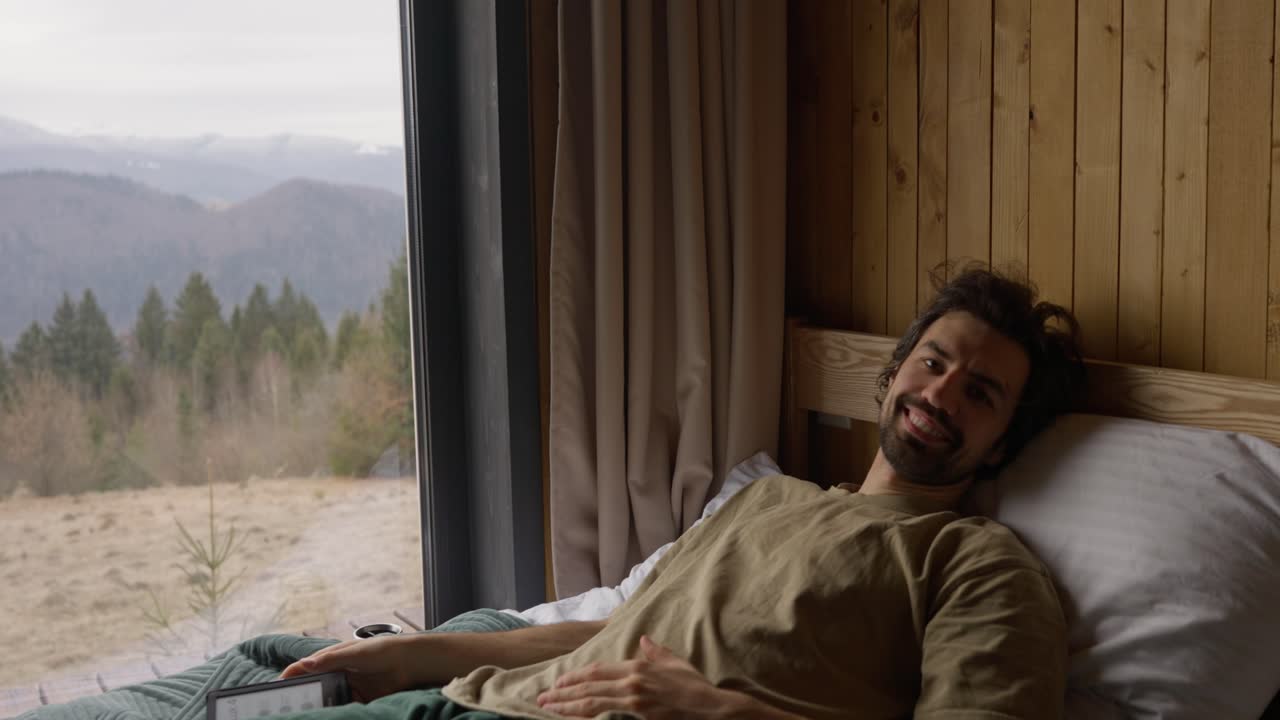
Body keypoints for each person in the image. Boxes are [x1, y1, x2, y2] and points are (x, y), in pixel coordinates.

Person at [281, 266, 1086, 719]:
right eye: (934, 362)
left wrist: (716, 712)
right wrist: (411, 653)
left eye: (981, 394)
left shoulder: (976, 565)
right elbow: (611, 632)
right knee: (250, 680)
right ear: (895, 370)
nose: (941, 396)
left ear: (1004, 443)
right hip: (478, 704)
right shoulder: (770, 500)